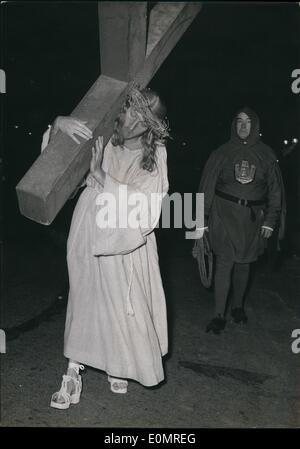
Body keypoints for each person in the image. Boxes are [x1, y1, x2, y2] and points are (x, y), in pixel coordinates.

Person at [45, 86, 170, 409]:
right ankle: (72, 373)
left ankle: (119, 364)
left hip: (128, 238)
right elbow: (54, 166)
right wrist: (58, 124)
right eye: (128, 109)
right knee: (85, 297)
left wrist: (103, 176)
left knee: (122, 304)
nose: (129, 119)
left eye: (139, 116)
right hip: (89, 226)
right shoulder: (102, 134)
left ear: (150, 125)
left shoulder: (156, 154)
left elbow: (149, 207)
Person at [196, 107, 285, 335]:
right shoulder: (222, 152)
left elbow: (276, 193)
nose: (243, 126)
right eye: (239, 122)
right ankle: (218, 314)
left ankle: (237, 307)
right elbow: (206, 187)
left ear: (255, 126)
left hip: (252, 220)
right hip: (223, 216)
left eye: (247, 122)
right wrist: (201, 221)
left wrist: (270, 222)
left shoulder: (266, 154)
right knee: (225, 262)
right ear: (233, 125)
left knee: (244, 263)